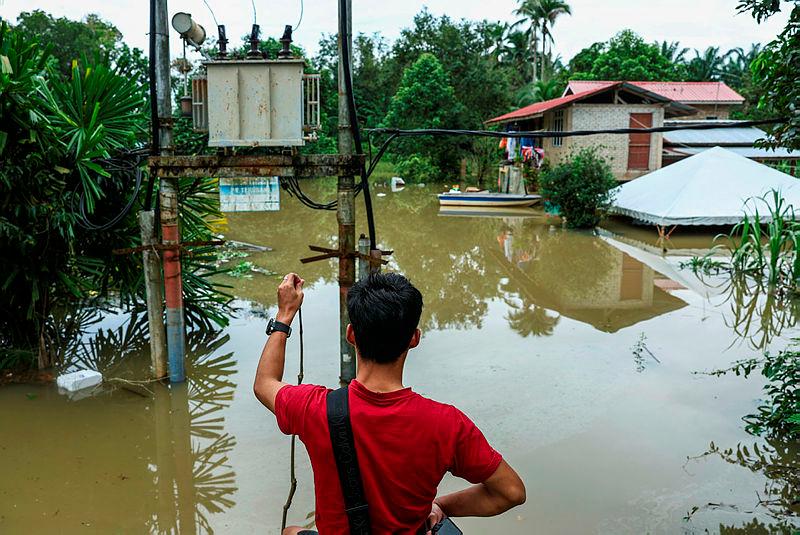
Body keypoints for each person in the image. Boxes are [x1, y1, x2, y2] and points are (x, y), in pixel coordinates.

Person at [254, 272, 526, 534]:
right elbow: (511, 492)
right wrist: (441, 505)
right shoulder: (447, 423)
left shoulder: (313, 408)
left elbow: (264, 383)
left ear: (350, 335)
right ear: (414, 339)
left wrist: (285, 314)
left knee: (290, 531)